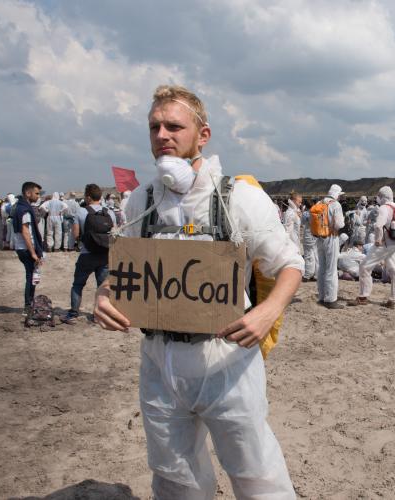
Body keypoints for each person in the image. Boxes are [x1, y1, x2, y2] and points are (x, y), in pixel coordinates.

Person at [92, 84, 302, 499]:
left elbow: (290, 264)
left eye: (174, 126)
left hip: (228, 364)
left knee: (255, 472)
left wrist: (267, 313)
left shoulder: (239, 198)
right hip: (159, 364)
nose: (162, 136)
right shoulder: (141, 202)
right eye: (154, 127)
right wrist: (103, 295)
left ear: (202, 135)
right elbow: (121, 270)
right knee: (174, 478)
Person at [61, 184, 116, 325]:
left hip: (87, 254)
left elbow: (76, 233)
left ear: (88, 197)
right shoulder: (109, 212)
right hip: (104, 254)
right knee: (102, 286)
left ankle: (73, 314)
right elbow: (115, 233)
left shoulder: (81, 212)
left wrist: (77, 244)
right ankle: (99, 315)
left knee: (78, 284)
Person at [349, 186, 395, 309]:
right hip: (394, 244)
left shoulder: (384, 208)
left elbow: (379, 226)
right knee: (394, 270)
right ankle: (394, 299)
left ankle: (363, 296)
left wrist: (378, 239)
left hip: (383, 244)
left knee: (364, 267)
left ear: (383, 196)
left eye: (379, 195)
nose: (377, 197)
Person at [12, 182, 44, 314]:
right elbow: (25, 232)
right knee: (30, 277)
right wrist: (33, 253)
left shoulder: (20, 207)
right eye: (36, 193)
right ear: (28, 193)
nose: (38, 196)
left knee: (32, 276)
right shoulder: (24, 209)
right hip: (25, 248)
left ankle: (30, 303)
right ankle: (28, 305)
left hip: (23, 247)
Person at [316, 184, 345, 309]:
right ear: (336, 194)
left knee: (322, 267)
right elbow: (339, 224)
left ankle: (322, 296)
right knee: (331, 269)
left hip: (319, 237)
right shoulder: (335, 204)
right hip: (331, 237)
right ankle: (331, 299)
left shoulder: (319, 202)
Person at [300, 199, 319, 281]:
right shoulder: (317, 212)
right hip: (316, 235)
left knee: (308, 255)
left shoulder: (305, 213)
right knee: (316, 254)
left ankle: (308, 274)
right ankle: (317, 274)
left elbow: (303, 223)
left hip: (308, 234)